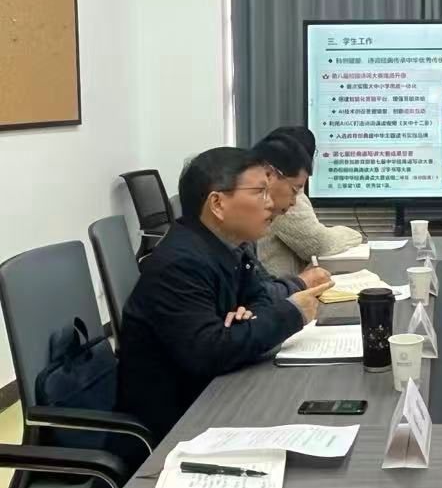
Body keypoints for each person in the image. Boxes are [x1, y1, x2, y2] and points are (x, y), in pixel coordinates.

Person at [118, 147, 333, 440]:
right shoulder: (180, 263)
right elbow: (209, 352)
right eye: (260, 192)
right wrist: (292, 313)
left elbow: (256, 299)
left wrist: (248, 320)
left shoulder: (230, 246)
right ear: (218, 204)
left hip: (218, 393)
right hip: (177, 425)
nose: (272, 204)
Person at [257, 126, 363, 276]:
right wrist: (354, 235)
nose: (292, 202)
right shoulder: (279, 196)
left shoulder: (281, 191)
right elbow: (319, 243)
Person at [250, 134, 332, 298]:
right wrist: (301, 283)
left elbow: (260, 291)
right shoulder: (207, 253)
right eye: (294, 190)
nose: (294, 203)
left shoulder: (243, 245)